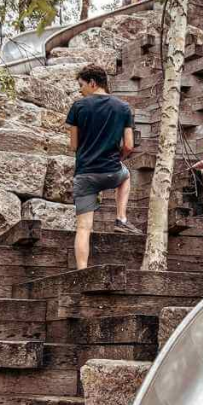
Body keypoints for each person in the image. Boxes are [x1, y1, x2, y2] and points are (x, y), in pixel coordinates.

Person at [66, 64, 141, 270]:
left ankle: (82, 271)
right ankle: (121, 219)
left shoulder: (78, 107)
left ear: (92, 83)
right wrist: (118, 158)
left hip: (85, 174)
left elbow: (73, 145)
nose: (80, 90)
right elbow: (129, 145)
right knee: (125, 176)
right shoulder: (123, 108)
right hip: (111, 171)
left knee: (83, 228)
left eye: (82, 85)